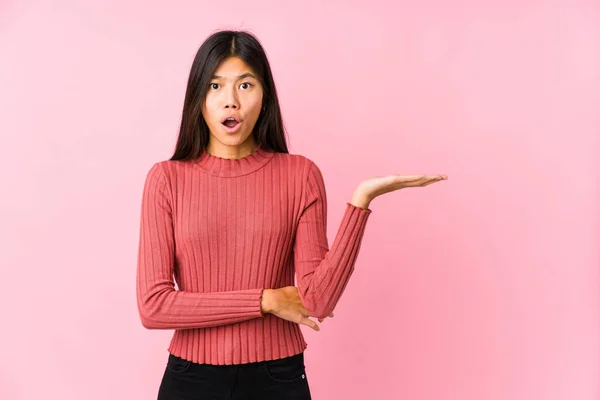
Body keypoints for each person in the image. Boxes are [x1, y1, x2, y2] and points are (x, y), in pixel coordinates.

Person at [136, 29, 447, 400]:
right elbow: (153, 307)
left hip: (277, 378)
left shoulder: (300, 175)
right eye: (215, 86)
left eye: (245, 86)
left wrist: (362, 201)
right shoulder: (166, 179)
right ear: (198, 99)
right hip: (191, 380)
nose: (230, 102)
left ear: (265, 96)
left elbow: (317, 302)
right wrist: (265, 300)